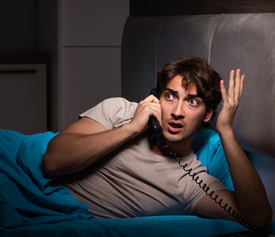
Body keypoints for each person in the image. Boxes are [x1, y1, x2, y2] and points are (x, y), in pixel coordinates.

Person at [42, 57, 272, 229]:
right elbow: (52, 161)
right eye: (170, 96)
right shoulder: (120, 111)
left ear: (207, 115)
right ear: (156, 96)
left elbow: (258, 217)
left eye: (192, 102)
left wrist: (226, 133)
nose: (177, 112)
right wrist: (131, 129)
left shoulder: (191, 183)